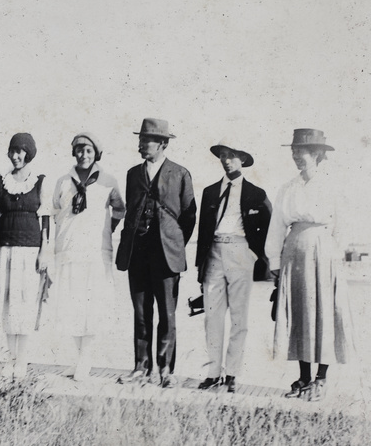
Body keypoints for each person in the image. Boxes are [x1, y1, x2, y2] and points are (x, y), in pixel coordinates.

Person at [265, 128, 353, 402]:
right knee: (300, 315)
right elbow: (277, 227)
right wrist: (276, 261)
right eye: (293, 152)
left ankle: (321, 379)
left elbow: (342, 226)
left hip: (323, 254)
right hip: (294, 255)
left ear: (316, 154)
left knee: (323, 313)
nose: (295, 157)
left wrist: (334, 259)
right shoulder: (288, 188)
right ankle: (303, 377)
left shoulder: (332, 185)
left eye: (300, 152)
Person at [116, 118, 197, 388]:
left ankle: (165, 370)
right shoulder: (132, 174)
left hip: (166, 254)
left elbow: (189, 216)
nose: (141, 144)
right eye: (140, 138)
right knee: (141, 311)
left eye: (147, 139)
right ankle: (141, 367)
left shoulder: (180, 174)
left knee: (167, 312)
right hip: (137, 251)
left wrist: (173, 242)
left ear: (163, 144)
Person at [195, 140, 272, 393]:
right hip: (214, 253)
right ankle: (213, 372)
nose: (227, 160)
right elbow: (203, 230)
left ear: (243, 160)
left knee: (240, 318)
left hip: (241, 254)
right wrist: (200, 265)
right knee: (212, 317)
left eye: (233, 156)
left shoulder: (256, 193)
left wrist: (254, 254)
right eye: (224, 156)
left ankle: (232, 374)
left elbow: (268, 225)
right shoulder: (209, 192)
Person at [52, 133, 126, 381]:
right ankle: (78, 358)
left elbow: (120, 209)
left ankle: (86, 360)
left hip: (95, 252)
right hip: (69, 251)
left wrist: (108, 228)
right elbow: (54, 210)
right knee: (72, 307)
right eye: (80, 150)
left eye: (89, 151)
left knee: (92, 307)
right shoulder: (63, 181)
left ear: (96, 154)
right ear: (74, 153)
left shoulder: (108, 181)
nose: (84, 155)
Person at [0, 133, 50, 379]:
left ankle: (21, 361)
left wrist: (44, 251)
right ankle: (10, 359)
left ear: (28, 153)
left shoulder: (40, 181)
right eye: (12, 151)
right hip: (4, 249)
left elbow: (45, 218)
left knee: (24, 305)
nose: (15, 156)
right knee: (7, 303)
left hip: (30, 251)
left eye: (20, 151)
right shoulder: (1, 181)